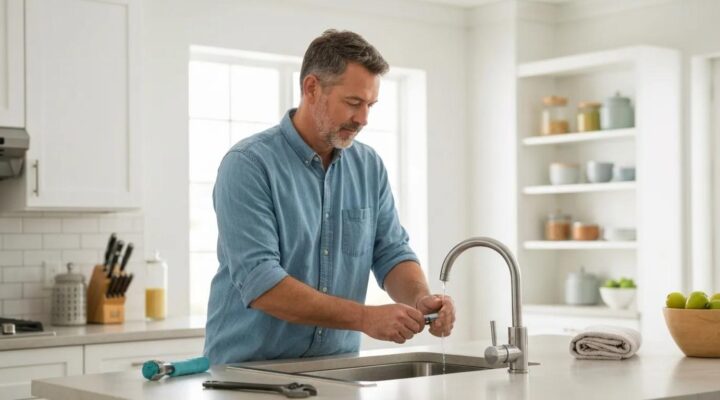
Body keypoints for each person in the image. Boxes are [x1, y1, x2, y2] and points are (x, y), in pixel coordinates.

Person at [204, 29, 455, 364]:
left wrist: (420, 298)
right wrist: (366, 318)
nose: (363, 119)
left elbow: (391, 252)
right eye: (353, 103)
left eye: (370, 105)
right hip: (249, 374)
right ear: (311, 88)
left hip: (337, 369)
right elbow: (262, 283)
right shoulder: (248, 165)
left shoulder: (368, 166)